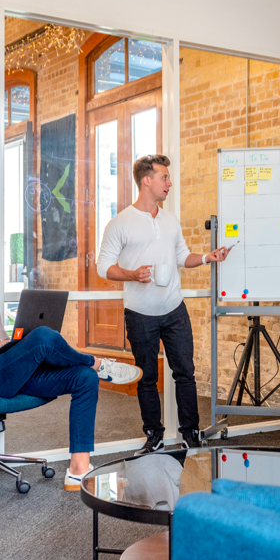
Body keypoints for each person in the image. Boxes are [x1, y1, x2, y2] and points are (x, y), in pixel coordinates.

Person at [0, 230, 142, 492]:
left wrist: (12, 345)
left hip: (5, 369)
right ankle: (97, 364)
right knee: (43, 337)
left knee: (82, 378)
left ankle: (78, 469)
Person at [97, 154, 229, 454]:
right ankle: (154, 435)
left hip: (174, 309)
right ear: (147, 180)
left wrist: (208, 257)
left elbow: (183, 256)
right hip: (140, 313)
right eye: (164, 177)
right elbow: (103, 267)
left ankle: (190, 433)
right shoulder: (121, 222)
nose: (169, 183)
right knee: (146, 375)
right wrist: (132, 273)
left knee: (185, 372)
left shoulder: (170, 220)